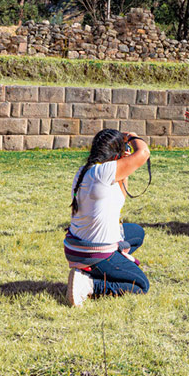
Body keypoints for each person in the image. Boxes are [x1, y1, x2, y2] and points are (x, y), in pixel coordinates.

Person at [64, 128, 151, 306]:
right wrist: (133, 136)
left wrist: (124, 161)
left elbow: (120, 197)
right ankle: (89, 285)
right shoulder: (103, 172)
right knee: (141, 285)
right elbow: (144, 153)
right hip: (93, 252)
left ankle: (89, 272)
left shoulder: (87, 171)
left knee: (136, 233)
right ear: (115, 153)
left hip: (77, 247)